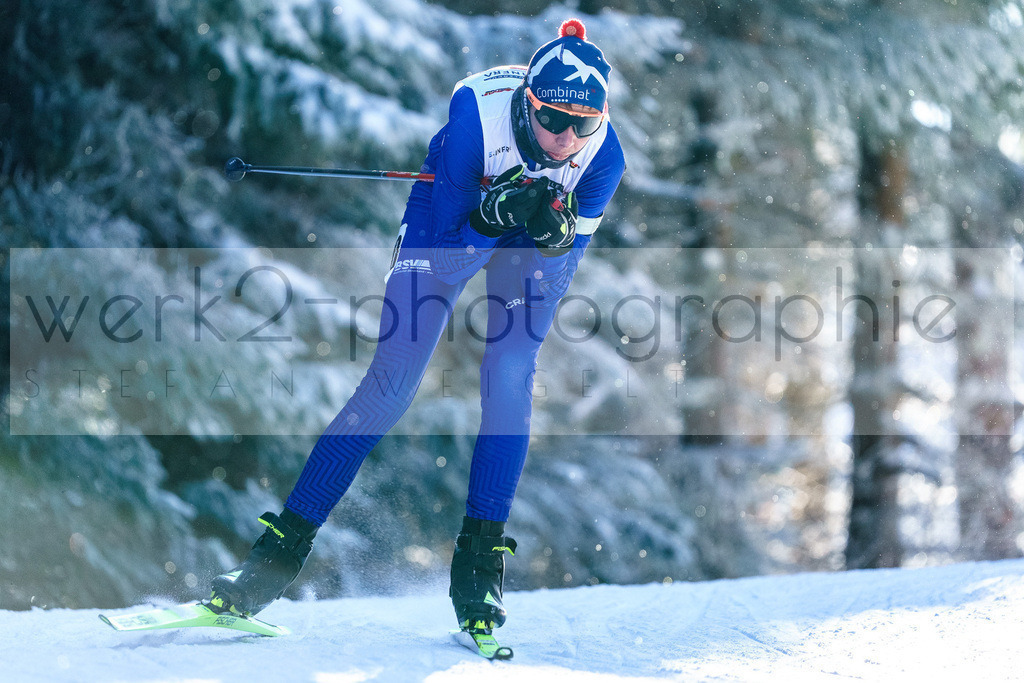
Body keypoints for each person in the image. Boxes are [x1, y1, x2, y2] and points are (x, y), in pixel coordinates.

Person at [209, 18, 626, 636]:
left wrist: (550, 236)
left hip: (516, 230)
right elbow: (452, 259)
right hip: (451, 220)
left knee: (509, 376)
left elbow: (551, 281)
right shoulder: (474, 117)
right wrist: (490, 218)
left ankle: (480, 571)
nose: (566, 139)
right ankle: (269, 565)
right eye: (552, 120)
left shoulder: (603, 157)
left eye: (582, 124)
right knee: (391, 384)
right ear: (525, 103)